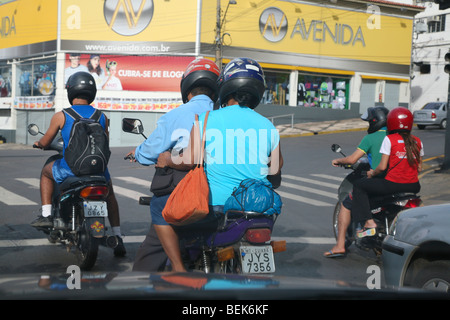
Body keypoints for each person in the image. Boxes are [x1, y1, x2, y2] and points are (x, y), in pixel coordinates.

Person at [157, 57, 283, 270]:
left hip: (216, 209)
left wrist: (167, 159)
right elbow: (275, 173)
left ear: (225, 87)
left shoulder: (207, 119)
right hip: (258, 210)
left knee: (166, 216)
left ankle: (180, 272)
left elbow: (189, 159)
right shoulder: (268, 126)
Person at [129, 58, 221, 272]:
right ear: (216, 91)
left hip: (188, 194)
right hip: (224, 194)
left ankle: (150, 279)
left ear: (187, 90)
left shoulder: (175, 116)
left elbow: (150, 152)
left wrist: (138, 153)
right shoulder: (224, 115)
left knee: (157, 223)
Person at [30, 72, 126, 257]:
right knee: (110, 195)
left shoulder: (62, 115)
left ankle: (47, 214)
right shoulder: (102, 116)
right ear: (92, 92)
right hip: (98, 170)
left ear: (71, 91)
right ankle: (117, 236)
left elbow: (45, 140)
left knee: (46, 172)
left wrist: (39, 144)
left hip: (72, 168)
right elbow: (104, 142)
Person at [324, 106, 388, 258]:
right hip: (396, 183)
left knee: (347, 204)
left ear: (374, 122)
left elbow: (352, 159)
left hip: (377, 182)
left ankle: (340, 245)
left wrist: (339, 160)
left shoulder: (371, 138)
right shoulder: (395, 136)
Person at [351, 107, 423, 238]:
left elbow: (382, 167)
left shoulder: (390, 139)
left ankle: (369, 222)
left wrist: (371, 174)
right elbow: (419, 168)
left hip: (392, 184)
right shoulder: (417, 141)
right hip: (414, 186)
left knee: (359, 186)